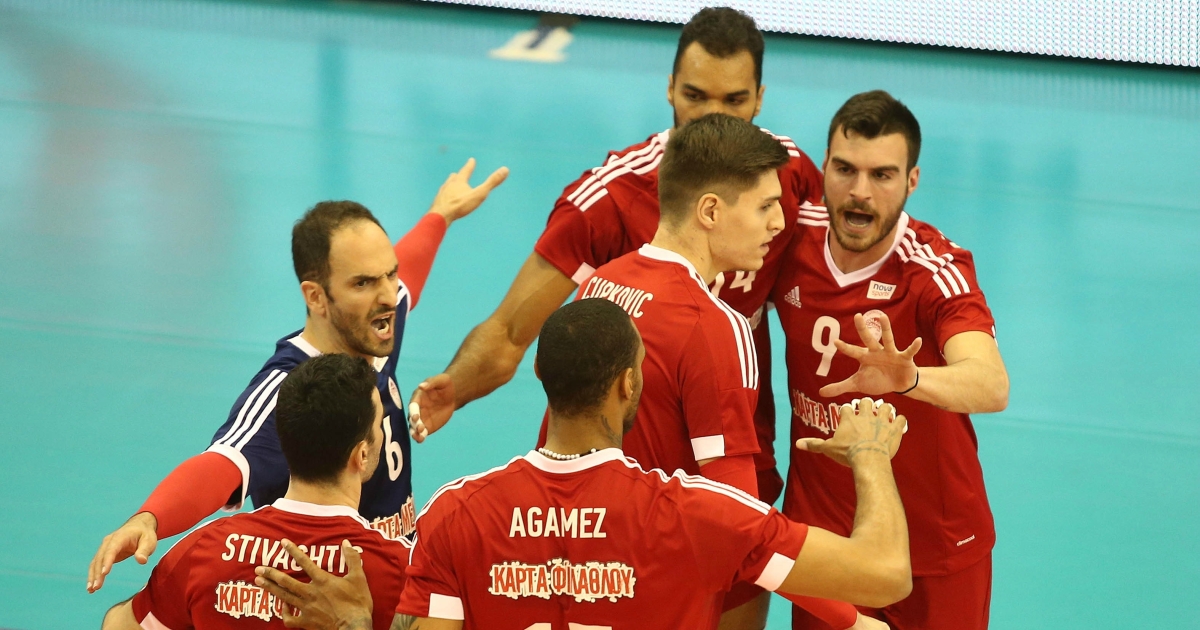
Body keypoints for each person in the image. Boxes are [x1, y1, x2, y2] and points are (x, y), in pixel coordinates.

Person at [254, 298, 912, 630]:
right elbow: (885, 575)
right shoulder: (699, 515)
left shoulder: (456, 514)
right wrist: (870, 454)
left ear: (540, 375)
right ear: (629, 384)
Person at [407, 6, 823, 509]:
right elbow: (512, 331)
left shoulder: (788, 177)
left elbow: (824, 289)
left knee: (740, 546)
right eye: (695, 96)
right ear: (670, 89)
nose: (713, 115)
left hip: (733, 433)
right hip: (626, 465)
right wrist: (457, 387)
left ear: (759, 98)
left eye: (733, 99)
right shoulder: (608, 200)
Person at [86, 159, 507, 593]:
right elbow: (224, 463)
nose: (387, 296)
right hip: (323, 598)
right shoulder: (294, 389)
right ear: (316, 297)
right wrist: (151, 518)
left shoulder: (371, 325)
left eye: (389, 273)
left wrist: (440, 214)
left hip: (390, 577)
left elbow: (408, 278)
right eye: (363, 283)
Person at [772, 90, 1010, 630]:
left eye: (882, 175)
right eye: (845, 170)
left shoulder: (933, 269)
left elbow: (991, 384)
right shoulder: (788, 238)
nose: (859, 192)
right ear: (824, 166)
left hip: (934, 546)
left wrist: (910, 378)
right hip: (828, 543)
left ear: (912, 181)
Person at [101, 354, 411, 630]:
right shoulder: (401, 569)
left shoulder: (203, 550)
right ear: (362, 455)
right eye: (379, 425)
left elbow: (119, 625)